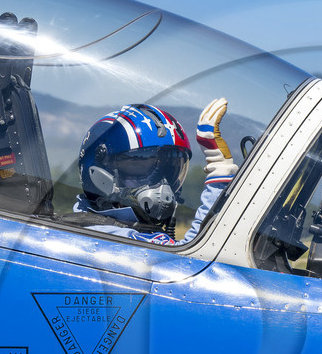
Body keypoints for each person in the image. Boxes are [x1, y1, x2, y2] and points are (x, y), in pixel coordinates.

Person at [64, 98, 237, 247]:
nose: (162, 184)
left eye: (169, 169)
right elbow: (189, 260)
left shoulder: (126, 229)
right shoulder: (102, 236)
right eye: (140, 162)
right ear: (100, 171)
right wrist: (220, 171)